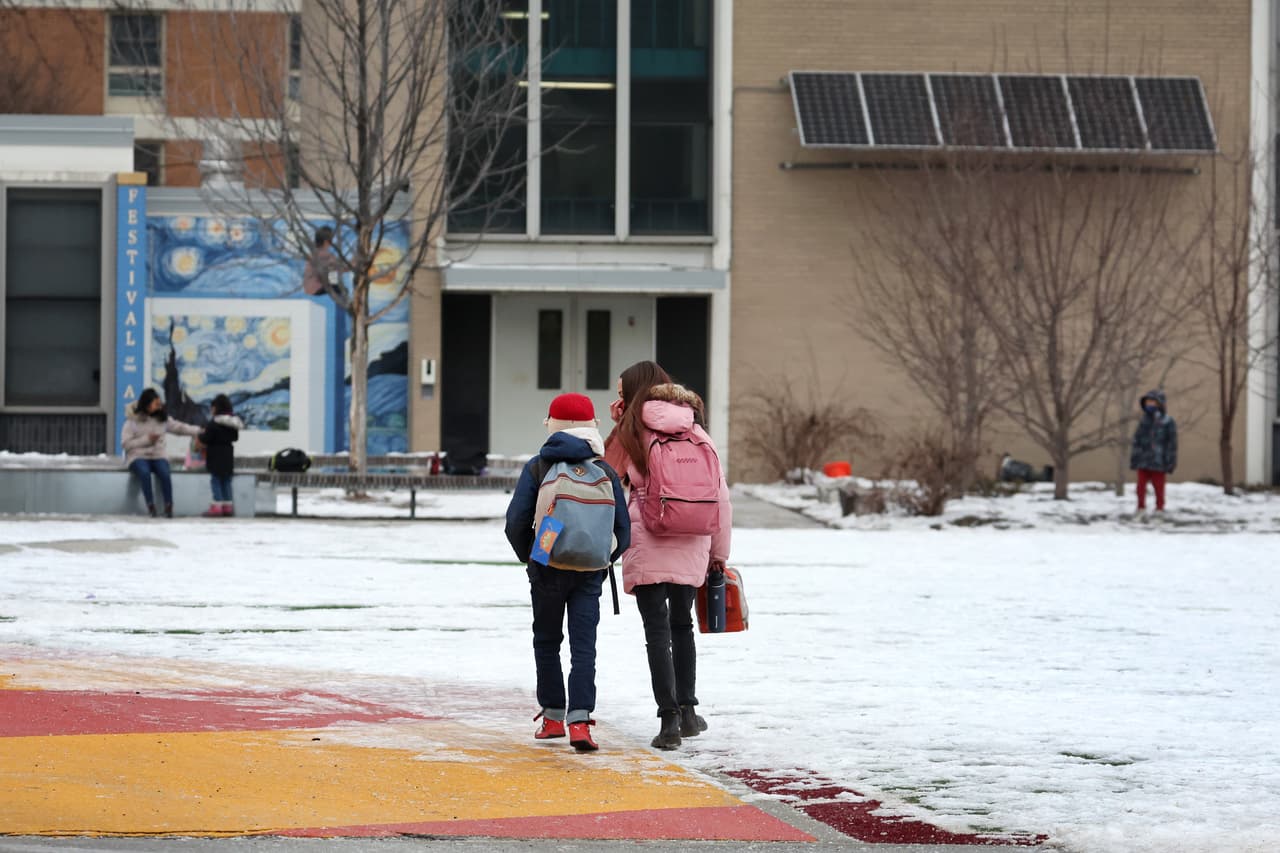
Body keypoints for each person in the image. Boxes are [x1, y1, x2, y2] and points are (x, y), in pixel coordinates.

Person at [606, 362, 733, 750]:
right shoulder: (696, 429)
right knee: (682, 625)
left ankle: (669, 722)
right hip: (692, 537)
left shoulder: (631, 431)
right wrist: (718, 554)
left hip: (647, 536)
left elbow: (606, 477)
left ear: (633, 392)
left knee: (656, 633)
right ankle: (689, 711)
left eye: (622, 392)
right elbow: (720, 496)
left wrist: (619, 423)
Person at [504, 393, 630, 752]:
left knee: (547, 641)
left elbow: (515, 522)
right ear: (592, 426)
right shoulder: (604, 471)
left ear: (553, 425)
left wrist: (534, 557)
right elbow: (624, 531)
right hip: (590, 571)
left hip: (547, 568)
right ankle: (580, 722)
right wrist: (601, 557)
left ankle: (553, 718)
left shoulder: (538, 467)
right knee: (584, 647)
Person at [121, 388, 204, 518]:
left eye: (160, 404)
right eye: (156, 404)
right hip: (137, 456)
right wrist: (147, 440)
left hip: (158, 455)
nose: (159, 407)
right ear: (147, 404)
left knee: (165, 473)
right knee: (144, 473)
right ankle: (150, 506)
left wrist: (199, 431)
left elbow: (180, 428)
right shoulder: (132, 422)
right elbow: (126, 444)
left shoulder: (162, 419)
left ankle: (168, 506)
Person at [1130, 389, 1177, 514]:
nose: (1149, 404)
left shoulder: (1167, 421)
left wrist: (1170, 461)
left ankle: (1159, 509)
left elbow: (1171, 444)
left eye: (1152, 401)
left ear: (1159, 403)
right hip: (1143, 461)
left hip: (1159, 461)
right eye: (1147, 402)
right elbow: (1137, 440)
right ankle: (1140, 508)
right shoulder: (1143, 421)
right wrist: (1134, 458)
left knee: (1159, 487)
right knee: (1140, 487)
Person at [199, 394, 244, 517]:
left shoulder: (214, 422)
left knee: (216, 481)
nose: (211, 410)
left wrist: (200, 435)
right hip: (228, 455)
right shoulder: (232, 423)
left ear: (217, 408)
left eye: (212, 407)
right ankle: (227, 507)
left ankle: (217, 507)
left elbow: (206, 438)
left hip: (215, 455)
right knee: (226, 481)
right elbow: (235, 438)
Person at [302, 226, 344, 298]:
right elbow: (332, 276)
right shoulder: (327, 256)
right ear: (326, 242)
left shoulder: (312, 254)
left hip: (308, 290)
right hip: (318, 289)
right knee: (340, 289)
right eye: (331, 240)